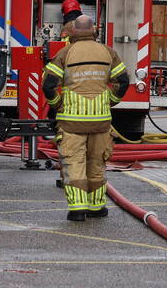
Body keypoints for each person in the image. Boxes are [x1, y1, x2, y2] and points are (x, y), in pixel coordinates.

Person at [43, 15, 130, 221]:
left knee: (74, 164)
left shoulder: (65, 53)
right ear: (94, 31)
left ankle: (77, 209)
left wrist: (58, 104)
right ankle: (97, 207)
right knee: (97, 164)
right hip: (100, 121)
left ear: (73, 32)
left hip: (71, 122)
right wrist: (110, 100)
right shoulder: (107, 52)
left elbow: (48, 84)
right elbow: (123, 81)